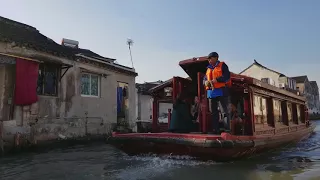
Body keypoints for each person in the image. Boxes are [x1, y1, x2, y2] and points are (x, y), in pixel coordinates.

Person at [204, 52, 231, 134]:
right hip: (211, 93)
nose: (209, 60)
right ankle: (215, 129)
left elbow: (227, 76)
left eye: (210, 58)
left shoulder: (222, 65)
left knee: (224, 111)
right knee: (213, 113)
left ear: (216, 58)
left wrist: (217, 80)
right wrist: (205, 82)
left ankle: (227, 129)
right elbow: (204, 78)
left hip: (221, 91)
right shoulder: (208, 69)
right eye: (208, 59)